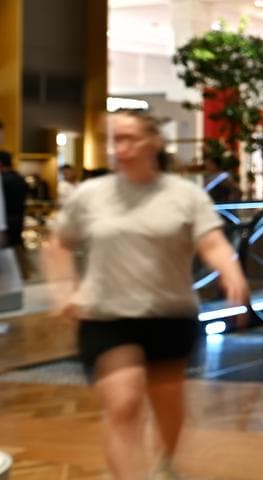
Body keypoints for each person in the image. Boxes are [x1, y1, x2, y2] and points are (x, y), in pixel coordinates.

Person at [42, 110, 249, 480]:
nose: (121, 147)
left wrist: (232, 273)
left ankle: (165, 464)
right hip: (106, 315)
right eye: (115, 139)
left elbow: (212, 241)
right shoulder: (91, 195)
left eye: (130, 138)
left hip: (170, 313)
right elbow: (58, 243)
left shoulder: (185, 195)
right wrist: (64, 291)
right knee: (124, 403)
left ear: (154, 141)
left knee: (167, 403)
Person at [0, 152, 30, 279]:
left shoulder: (3, 180)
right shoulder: (20, 179)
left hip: (5, 222)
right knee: (17, 246)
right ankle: (22, 274)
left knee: (7, 252)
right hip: (19, 218)